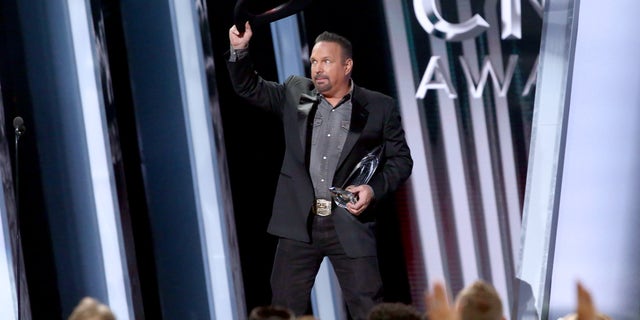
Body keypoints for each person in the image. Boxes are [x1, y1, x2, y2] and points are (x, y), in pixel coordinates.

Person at [227, 21, 413, 319]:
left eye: (326, 61)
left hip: (350, 223)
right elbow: (249, 87)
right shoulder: (296, 92)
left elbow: (401, 161)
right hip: (299, 223)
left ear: (347, 65)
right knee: (282, 310)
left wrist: (372, 189)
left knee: (370, 311)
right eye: (314, 61)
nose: (318, 68)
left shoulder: (380, 107)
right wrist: (240, 50)